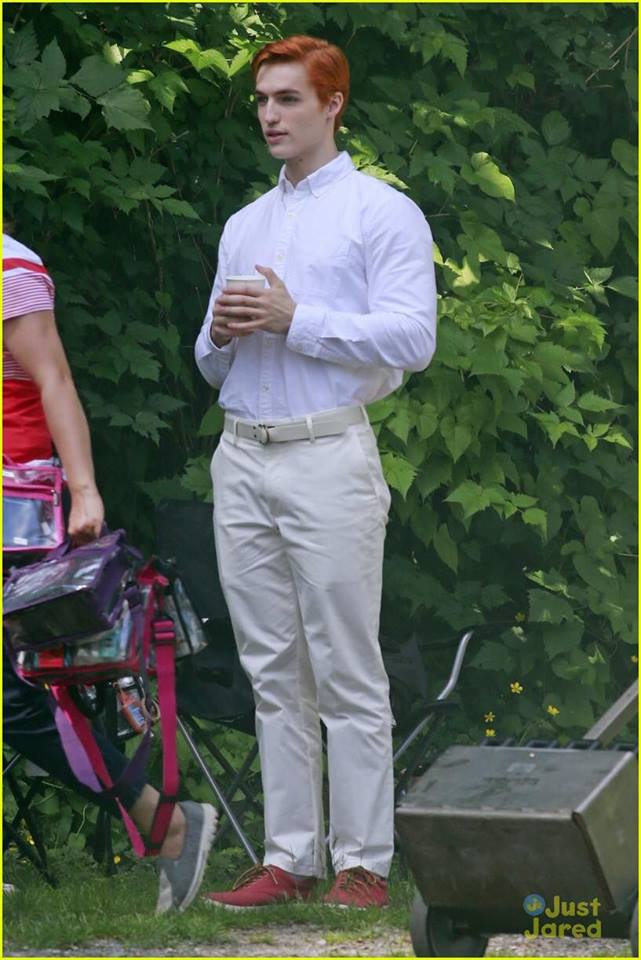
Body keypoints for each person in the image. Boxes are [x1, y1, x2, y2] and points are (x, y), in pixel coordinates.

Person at [195, 35, 437, 909]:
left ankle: (363, 862)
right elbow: (210, 364)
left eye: (288, 98)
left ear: (332, 104)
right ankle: (289, 858)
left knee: (345, 664)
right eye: (263, 99)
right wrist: (221, 334)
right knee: (270, 668)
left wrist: (296, 318)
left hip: (327, 453)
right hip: (242, 454)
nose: (270, 115)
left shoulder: (382, 213)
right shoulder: (244, 225)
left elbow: (413, 339)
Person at [2, 233, 217, 912]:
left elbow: (55, 379)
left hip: (13, 510)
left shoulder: (9, 268)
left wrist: (86, 490)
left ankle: (164, 819)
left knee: (17, 702)